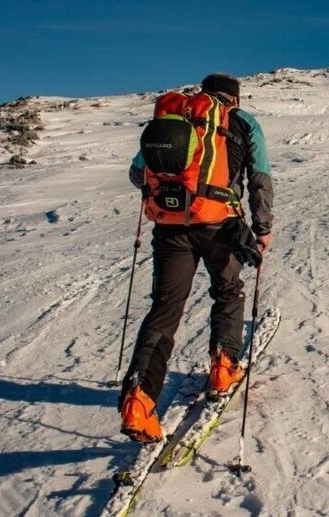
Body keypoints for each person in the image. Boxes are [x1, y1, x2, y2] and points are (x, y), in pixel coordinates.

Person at [119, 73, 274, 443]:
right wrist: (262, 228)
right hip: (220, 223)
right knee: (227, 290)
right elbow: (260, 178)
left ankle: (139, 402)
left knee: (165, 307)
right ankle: (223, 366)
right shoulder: (242, 121)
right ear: (234, 98)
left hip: (171, 226)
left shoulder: (174, 119)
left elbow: (137, 173)